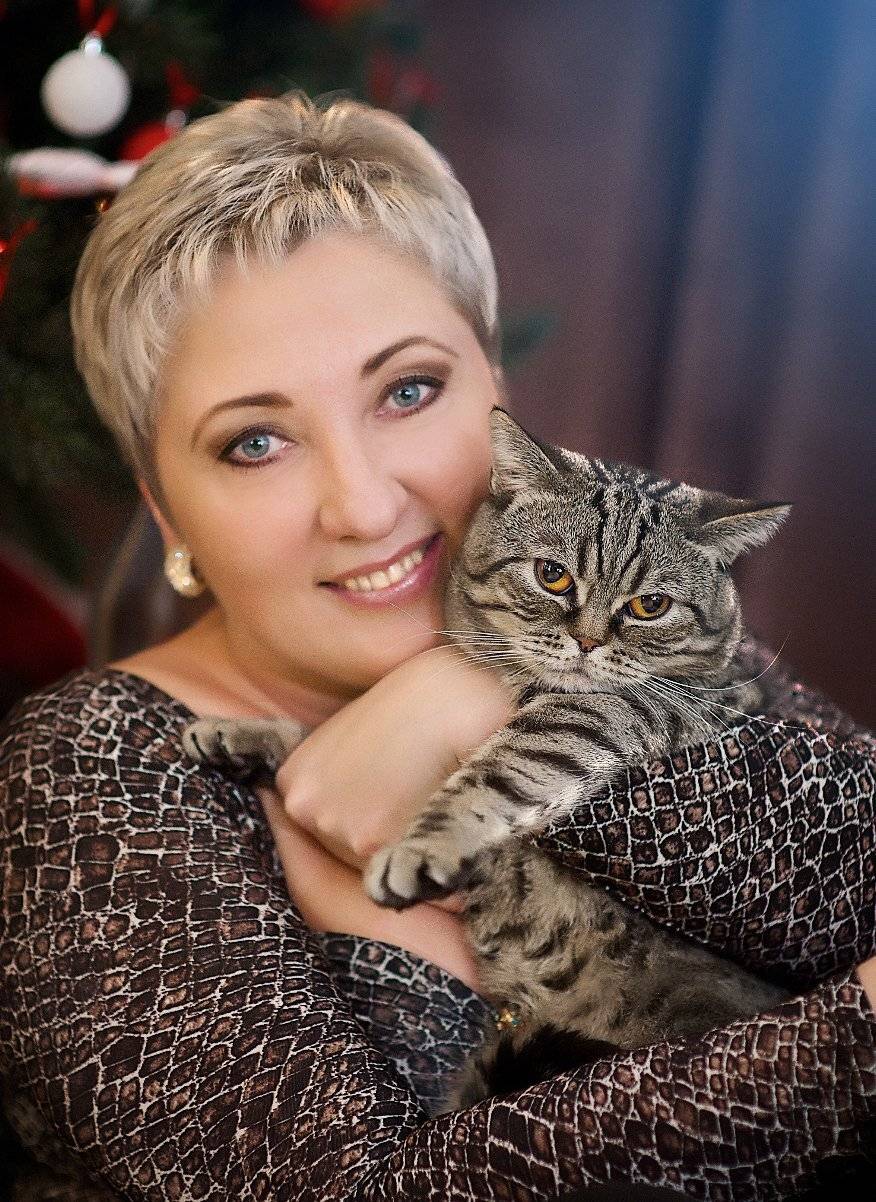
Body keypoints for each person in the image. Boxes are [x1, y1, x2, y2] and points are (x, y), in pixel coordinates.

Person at [0, 92, 874, 1202]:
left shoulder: (636, 622)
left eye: (408, 390)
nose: (365, 505)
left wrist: (485, 706)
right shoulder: (88, 771)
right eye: (255, 441)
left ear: (496, 398)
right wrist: (852, 1038)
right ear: (167, 510)